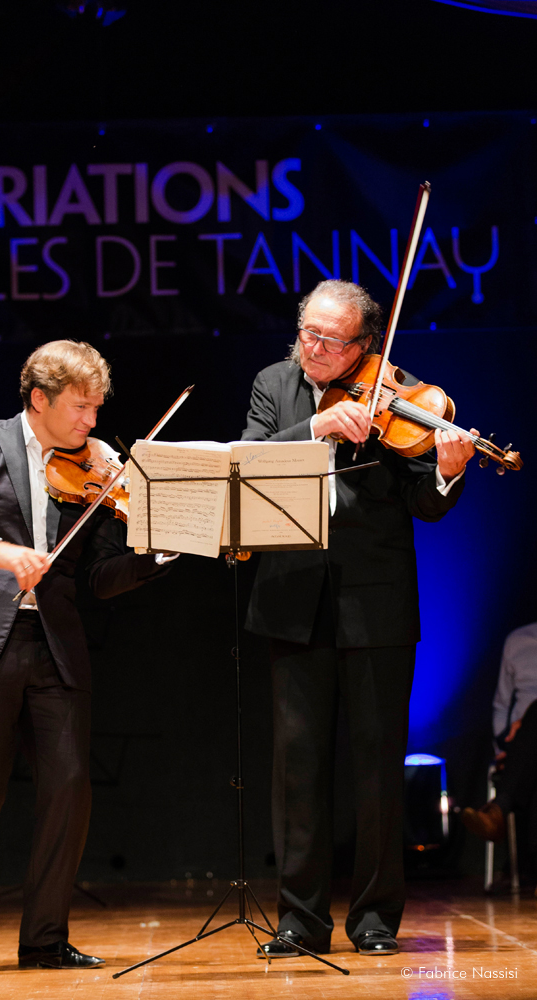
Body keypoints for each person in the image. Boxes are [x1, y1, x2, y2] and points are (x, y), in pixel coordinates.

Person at [0, 341, 172, 974]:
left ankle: (45, 939)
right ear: (40, 399)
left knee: (70, 788)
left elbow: (99, 576)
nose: (92, 424)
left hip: (55, 643)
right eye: (81, 408)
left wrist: (157, 554)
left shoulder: (96, 467)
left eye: (97, 409)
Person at [241, 279, 475, 957]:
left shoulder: (403, 396)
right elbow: (249, 463)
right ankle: (300, 920)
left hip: (377, 603)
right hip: (291, 597)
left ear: (366, 344)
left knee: (376, 767)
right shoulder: (274, 383)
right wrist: (316, 428)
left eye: (331, 340)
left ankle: (374, 917)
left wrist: (448, 473)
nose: (314, 348)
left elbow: (425, 503)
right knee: (298, 768)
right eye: (308, 332)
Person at [462, 623, 537, 850]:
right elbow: (501, 706)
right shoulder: (518, 640)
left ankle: (498, 811)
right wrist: (502, 748)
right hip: (520, 744)